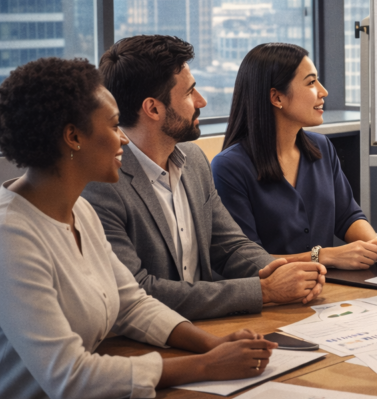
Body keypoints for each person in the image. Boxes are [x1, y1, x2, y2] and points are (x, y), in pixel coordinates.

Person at [0, 58, 278, 399]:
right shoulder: (13, 234)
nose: (122, 139)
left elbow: (131, 304)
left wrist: (214, 344)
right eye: (115, 126)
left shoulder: (79, 210)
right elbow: (68, 376)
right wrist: (204, 366)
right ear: (73, 137)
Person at [82, 36, 325, 321]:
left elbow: (230, 246)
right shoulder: (101, 184)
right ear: (153, 108)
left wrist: (283, 273)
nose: (202, 101)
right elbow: (140, 291)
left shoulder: (193, 160)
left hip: (212, 326)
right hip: (149, 343)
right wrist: (265, 291)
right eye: (189, 93)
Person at [211, 43, 377, 268]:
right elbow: (244, 259)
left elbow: (347, 217)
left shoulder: (321, 147)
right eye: (311, 82)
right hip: (274, 297)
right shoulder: (229, 167)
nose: (323, 91)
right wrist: (323, 256)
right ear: (277, 98)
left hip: (326, 289)